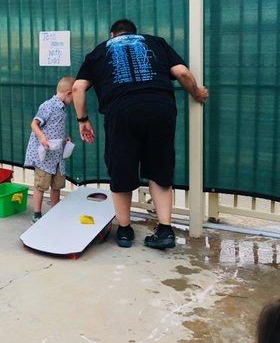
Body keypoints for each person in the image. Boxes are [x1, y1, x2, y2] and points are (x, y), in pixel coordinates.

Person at [72, 19, 209, 249]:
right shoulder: (155, 43)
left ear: (112, 34)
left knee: (121, 169)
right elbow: (182, 73)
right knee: (160, 169)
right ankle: (165, 230)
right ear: (135, 33)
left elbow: (77, 88)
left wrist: (83, 120)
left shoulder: (99, 51)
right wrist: (197, 93)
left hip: (122, 112)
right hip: (160, 108)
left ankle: (125, 232)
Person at [24, 77, 74, 224]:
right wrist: (42, 137)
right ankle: (37, 213)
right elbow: (34, 124)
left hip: (57, 156)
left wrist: (64, 139)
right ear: (68, 93)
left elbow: (55, 128)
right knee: (41, 185)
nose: (74, 101)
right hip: (45, 156)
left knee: (57, 185)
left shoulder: (63, 108)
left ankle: (55, 211)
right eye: (74, 97)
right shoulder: (49, 105)